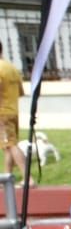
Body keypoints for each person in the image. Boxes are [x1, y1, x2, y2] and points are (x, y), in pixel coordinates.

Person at [0, 45, 25, 177]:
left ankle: (28, 178)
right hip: (13, 111)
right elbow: (20, 92)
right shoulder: (12, 68)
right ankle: (7, 176)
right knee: (8, 146)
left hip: (2, 113)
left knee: (11, 145)